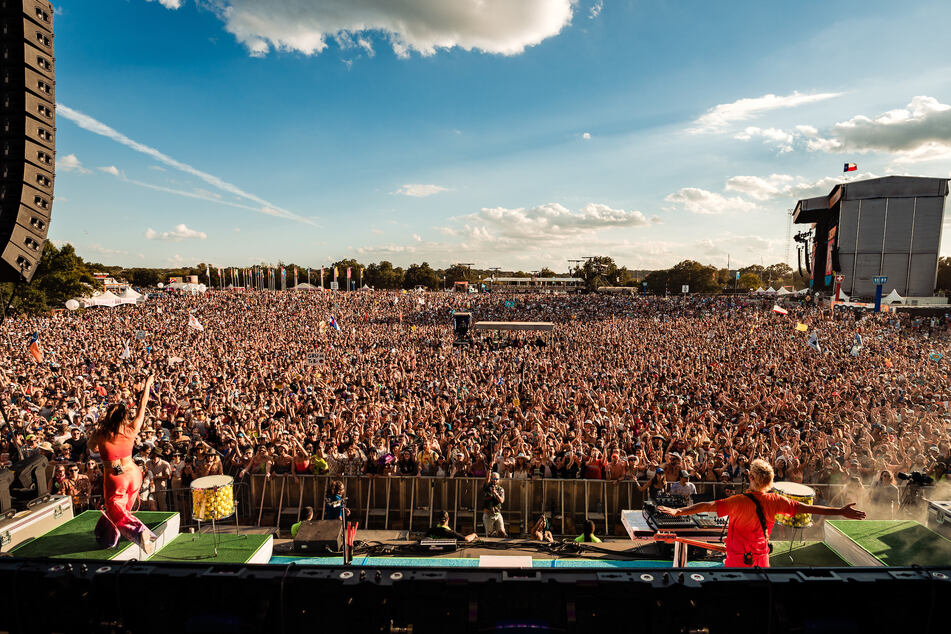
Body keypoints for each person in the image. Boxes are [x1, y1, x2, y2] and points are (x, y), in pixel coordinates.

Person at [659, 458, 865, 568]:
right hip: (761, 559)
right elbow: (808, 508)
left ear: (752, 477)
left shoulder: (737, 501)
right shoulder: (776, 501)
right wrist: (840, 511)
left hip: (737, 560)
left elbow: (706, 506)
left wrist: (678, 511)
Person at [87, 375, 157, 553]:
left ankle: (139, 531)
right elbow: (142, 406)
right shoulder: (132, 429)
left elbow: (92, 448)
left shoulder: (101, 433)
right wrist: (147, 384)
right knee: (123, 509)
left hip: (115, 476)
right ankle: (107, 537)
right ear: (124, 416)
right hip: (133, 473)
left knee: (117, 510)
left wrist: (99, 443)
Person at [482, 470, 506, 537]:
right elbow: (487, 479)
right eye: (493, 478)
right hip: (488, 514)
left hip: (497, 513)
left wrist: (495, 493)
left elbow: (501, 501)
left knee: (502, 532)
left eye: (496, 479)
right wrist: (490, 468)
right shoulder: (487, 487)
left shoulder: (500, 489)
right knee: (489, 534)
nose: (495, 480)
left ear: (499, 480)